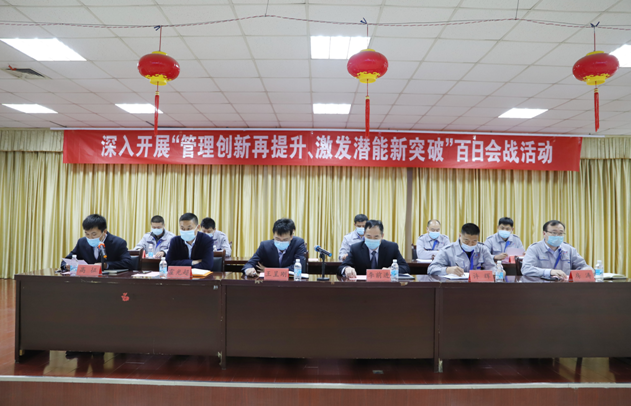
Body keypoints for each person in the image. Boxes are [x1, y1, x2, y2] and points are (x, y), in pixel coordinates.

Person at [338, 219, 409, 278]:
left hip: (385, 286)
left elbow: (405, 267)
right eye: (369, 236)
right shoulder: (356, 248)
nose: (372, 239)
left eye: (376, 237)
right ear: (364, 234)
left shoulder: (391, 247)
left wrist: (392, 271)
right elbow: (341, 268)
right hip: (363, 287)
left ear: (382, 236)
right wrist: (346, 269)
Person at [522, 220, 592, 280]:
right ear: (544, 233)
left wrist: (587, 270)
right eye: (554, 233)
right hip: (542, 286)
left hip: (565, 286)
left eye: (560, 233)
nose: (557, 236)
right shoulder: (534, 248)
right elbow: (526, 269)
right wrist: (550, 272)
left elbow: (583, 266)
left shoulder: (569, 249)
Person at [62, 214, 132, 270]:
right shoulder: (82, 242)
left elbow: (128, 263)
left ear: (104, 232)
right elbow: (66, 260)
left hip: (109, 280)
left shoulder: (118, 243)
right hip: (86, 280)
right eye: (87, 234)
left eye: (94, 234)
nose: (90, 237)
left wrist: (106, 265)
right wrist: (66, 265)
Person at [428, 223, 495, 276]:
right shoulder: (447, 250)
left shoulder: (482, 249)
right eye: (466, 241)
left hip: (476, 285)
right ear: (460, 235)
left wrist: (496, 272)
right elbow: (431, 269)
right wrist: (447, 270)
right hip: (454, 285)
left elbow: (492, 267)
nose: (470, 244)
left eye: (474, 241)